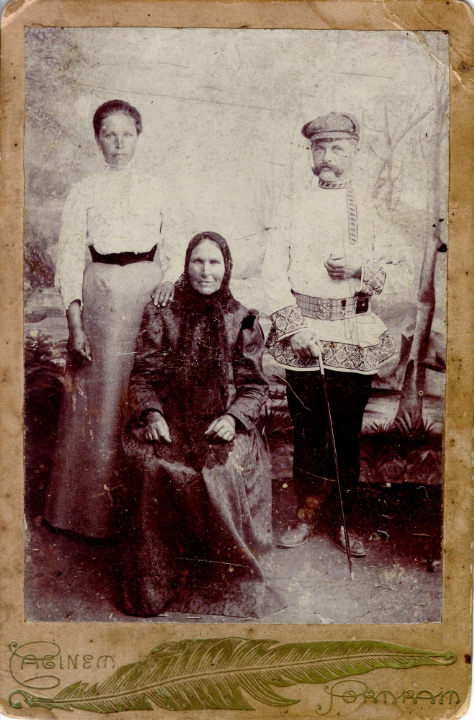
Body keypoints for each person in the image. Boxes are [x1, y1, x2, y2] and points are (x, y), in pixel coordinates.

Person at [262, 112, 413, 556]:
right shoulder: (291, 206)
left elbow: (403, 277)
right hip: (304, 334)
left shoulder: (371, 208)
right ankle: (306, 514)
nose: (327, 156)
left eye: (337, 148)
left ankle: (345, 519)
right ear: (310, 152)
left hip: (353, 333)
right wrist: (295, 329)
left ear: (354, 152)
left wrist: (361, 269)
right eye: (319, 148)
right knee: (308, 430)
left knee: (345, 432)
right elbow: (272, 274)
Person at [44, 100, 183, 538]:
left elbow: (176, 244)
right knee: (99, 399)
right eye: (109, 134)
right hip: (100, 295)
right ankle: (86, 515)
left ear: (138, 136)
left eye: (126, 134)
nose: (118, 143)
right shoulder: (84, 190)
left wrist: (169, 279)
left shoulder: (158, 187)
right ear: (98, 140)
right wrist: (75, 324)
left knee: (141, 390)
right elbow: (70, 257)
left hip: (147, 294)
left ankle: (141, 520)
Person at [120, 232, 275, 618]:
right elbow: (143, 377)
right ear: (186, 266)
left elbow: (256, 387)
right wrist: (152, 414)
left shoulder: (244, 319)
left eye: (214, 262)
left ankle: (220, 577)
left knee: (218, 472)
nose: (206, 271)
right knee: (156, 468)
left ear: (227, 268)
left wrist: (233, 418)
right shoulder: (162, 314)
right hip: (171, 418)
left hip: (224, 422)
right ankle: (157, 584)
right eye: (198, 262)